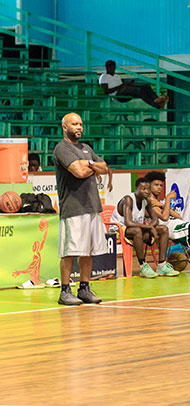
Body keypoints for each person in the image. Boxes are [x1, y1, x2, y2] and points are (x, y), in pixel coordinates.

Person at [53, 113, 109, 305]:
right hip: (73, 207)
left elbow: (104, 167)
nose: (79, 127)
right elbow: (77, 172)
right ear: (64, 127)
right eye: (74, 124)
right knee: (70, 251)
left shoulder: (86, 148)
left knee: (88, 251)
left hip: (92, 205)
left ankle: (84, 288)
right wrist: (91, 167)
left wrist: (89, 164)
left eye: (81, 124)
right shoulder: (62, 148)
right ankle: (65, 291)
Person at [110, 177, 178, 278]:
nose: (146, 191)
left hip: (136, 229)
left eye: (148, 189)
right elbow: (128, 222)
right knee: (137, 231)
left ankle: (162, 265)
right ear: (136, 188)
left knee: (163, 229)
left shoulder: (146, 200)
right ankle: (143, 266)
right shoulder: (128, 199)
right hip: (118, 230)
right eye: (143, 189)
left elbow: (155, 219)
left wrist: (148, 228)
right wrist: (149, 228)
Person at [99, 60, 168, 109]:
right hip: (117, 96)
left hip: (123, 90)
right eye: (110, 68)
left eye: (113, 68)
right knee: (139, 90)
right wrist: (121, 86)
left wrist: (128, 85)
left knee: (145, 86)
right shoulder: (104, 76)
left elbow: (123, 87)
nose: (112, 70)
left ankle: (156, 99)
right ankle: (156, 105)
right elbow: (106, 91)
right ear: (107, 68)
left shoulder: (117, 76)